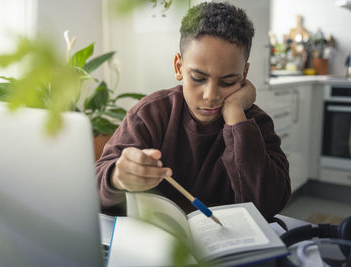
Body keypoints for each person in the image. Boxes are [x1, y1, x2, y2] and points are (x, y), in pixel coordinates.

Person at [96, 2, 291, 220]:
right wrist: (117, 177)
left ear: (244, 74)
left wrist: (235, 114)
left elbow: (270, 203)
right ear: (179, 67)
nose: (210, 95)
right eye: (198, 78)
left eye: (228, 82)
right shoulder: (150, 114)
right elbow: (95, 185)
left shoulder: (255, 124)